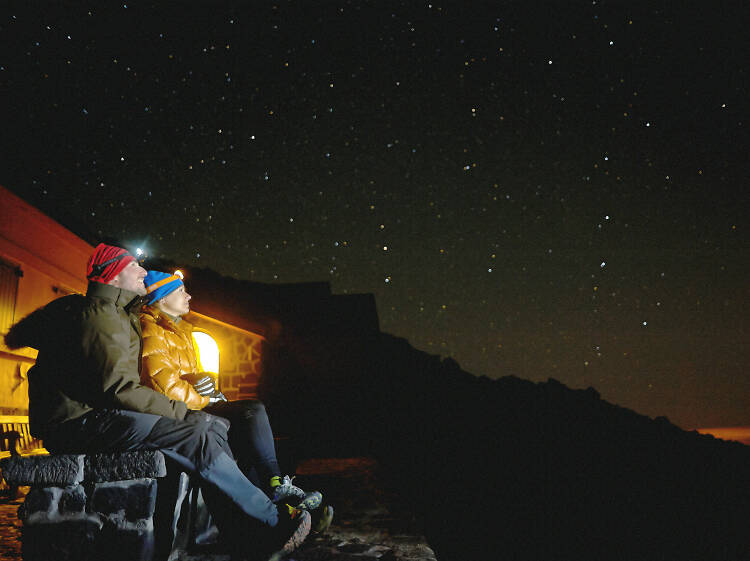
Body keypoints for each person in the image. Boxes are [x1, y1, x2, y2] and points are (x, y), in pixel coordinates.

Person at [4, 243, 311, 559]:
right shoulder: (98, 316)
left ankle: (243, 537)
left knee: (210, 427)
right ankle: (270, 524)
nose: (142, 271)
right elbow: (120, 388)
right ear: (116, 273)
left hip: (98, 417)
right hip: (78, 423)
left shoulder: (116, 314)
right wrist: (182, 411)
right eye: (135, 266)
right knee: (196, 431)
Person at [138, 270, 334, 531]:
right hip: (175, 409)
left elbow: (177, 374)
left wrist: (199, 381)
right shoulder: (151, 329)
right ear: (162, 299)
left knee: (250, 414)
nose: (188, 295)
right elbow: (163, 385)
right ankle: (274, 503)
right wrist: (204, 395)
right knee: (246, 417)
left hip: (190, 401)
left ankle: (278, 495)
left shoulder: (179, 330)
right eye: (180, 292)